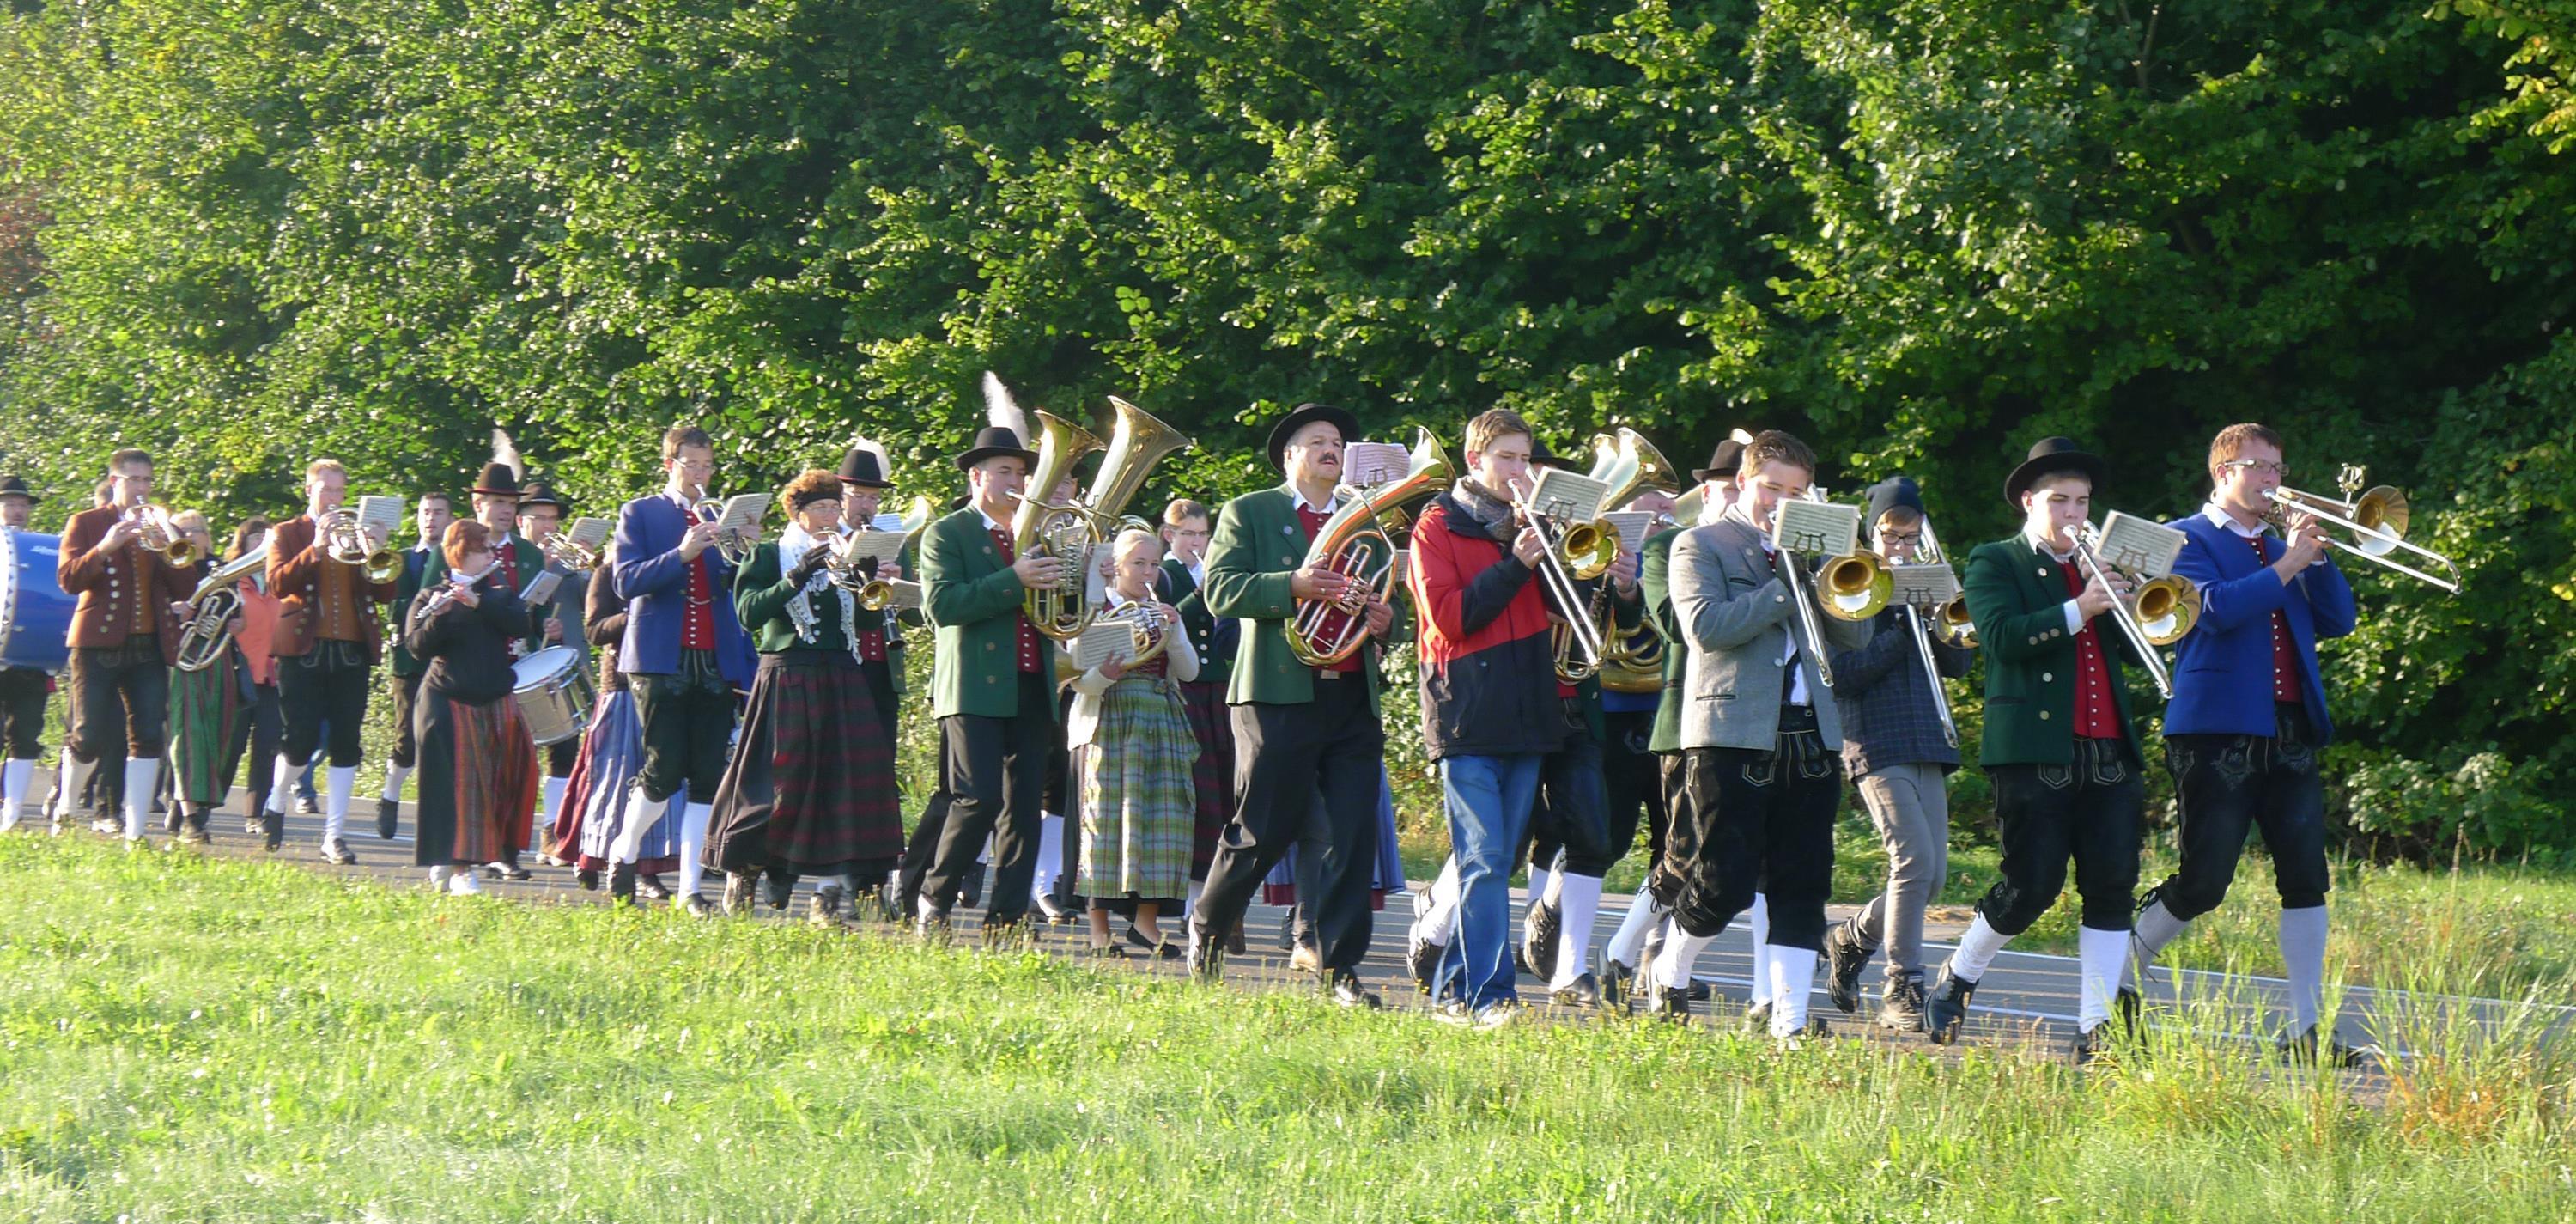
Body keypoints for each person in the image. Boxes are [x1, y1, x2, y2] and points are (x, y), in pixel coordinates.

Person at [2129, 423, 2362, 1065]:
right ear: (2222, 472)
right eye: (2258, 466)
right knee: (2205, 881)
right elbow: (2215, 608)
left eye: (2278, 468)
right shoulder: (2183, 537)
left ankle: (2307, 1027)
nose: (2272, 480)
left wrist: (2316, 555)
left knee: (2307, 879)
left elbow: (2340, 620)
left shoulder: (2283, 542)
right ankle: (2124, 964)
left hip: (2289, 726)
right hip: (2215, 727)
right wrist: (2289, 561)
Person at [1925, 437, 2149, 1063]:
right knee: (2032, 885)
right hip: (2032, 750)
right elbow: (1999, 637)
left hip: (2109, 751)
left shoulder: (2099, 567)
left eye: (2081, 502)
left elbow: (2135, 649)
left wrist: (2131, 604)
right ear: (2030, 501)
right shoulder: (1996, 560)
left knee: (2111, 887)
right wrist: (2081, 606)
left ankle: (2095, 1028)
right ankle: (1960, 972)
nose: (2073, 514)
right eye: (2059, 501)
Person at [1653, 429, 1872, 1044]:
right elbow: (1706, 628)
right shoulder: (1700, 544)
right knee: (1724, 880)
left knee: (1803, 884)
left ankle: (1789, 1022)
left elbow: (1854, 640)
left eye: (1796, 492)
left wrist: (1834, 572)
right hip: (1731, 732)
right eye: (1772, 487)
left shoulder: (1813, 555)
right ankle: (1670, 970)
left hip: (1811, 733)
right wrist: (1786, 585)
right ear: (1745, 482)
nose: (1781, 501)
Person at [1186, 403, 1400, 1009]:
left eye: (1337, 442)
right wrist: (1292, 585)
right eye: (1317, 441)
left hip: (1350, 693)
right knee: (1263, 827)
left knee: (1353, 836)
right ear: (1290, 456)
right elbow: (1219, 590)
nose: (1332, 449)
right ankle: (1208, 922)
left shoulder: (1369, 520)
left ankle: (1337, 966)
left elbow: (1386, 600)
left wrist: (1387, 621)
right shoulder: (1251, 510)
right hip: (1277, 694)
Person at [1403, 410, 1559, 1026]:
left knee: (1497, 862)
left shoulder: (1529, 526)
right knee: (1485, 857)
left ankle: (1457, 991)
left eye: (1525, 459)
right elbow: (1451, 617)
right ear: (1477, 460)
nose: (1520, 471)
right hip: (1466, 708)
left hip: (1528, 708)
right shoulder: (1438, 522)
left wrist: (1589, 571)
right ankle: (1489, 996)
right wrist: (1517, 562)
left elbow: (1563, 610)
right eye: (1508, 458)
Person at [707, 470, 902, 925]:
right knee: (776, 785)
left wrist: (872, 582)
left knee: (842, 786)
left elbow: (868, 627)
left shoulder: (846, 558)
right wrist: (797, 575)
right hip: (787, 677)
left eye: (835, 508)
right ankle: (746, 872)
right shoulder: (769, 554)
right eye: (821, 509)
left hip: (840, 676)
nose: (831, 517)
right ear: (798, 514)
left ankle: (830, 896)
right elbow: (749, 614)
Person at [1820, 478, 1975, 1032]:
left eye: (1910, 538)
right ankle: (1901, 986)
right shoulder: (1851, 587)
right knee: (1911, 862)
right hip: (1874, 740)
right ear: (1871, 530)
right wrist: (1900, 628)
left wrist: (1941, 621)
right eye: (1891, 535)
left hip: (1927, 737)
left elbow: (1958, 667)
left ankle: (1851, 936)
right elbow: (1843, 676)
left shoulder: (1928, 583)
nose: (1900, 548)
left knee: (1931, 878)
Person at [1606, 432, 1747, 1008]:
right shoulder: (1676, 547)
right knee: (1685, 853)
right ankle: (1621, 952)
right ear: (1711, 491)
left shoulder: (1760, 551)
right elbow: (1675, 624)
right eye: (1735, 486)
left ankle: (1765, 998)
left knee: (1744, 861)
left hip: (1751, 720)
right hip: (1687, 719)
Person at [914, 409, 1059, 939]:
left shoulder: (1038, 533)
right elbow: (942, 606)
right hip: (972, 686)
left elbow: (1059, 609)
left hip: (1031, 684)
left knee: (1023, 810)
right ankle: (935, 898)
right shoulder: (945, 534)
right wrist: (1013, 578)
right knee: (977, 799)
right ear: (976, 477)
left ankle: (1007, 920)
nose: (1016, 483)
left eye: (1021, 474)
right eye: (1004, 472)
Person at [606, 425, 755, 913]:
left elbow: (735, 585)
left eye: (708, 465)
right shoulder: (641, 512)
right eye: (692, 465)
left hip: (715, 656)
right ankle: (623, 853)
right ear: (671, 465)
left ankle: (690, 889)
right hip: (657, 657)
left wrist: (746, 550)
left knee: (708, 774)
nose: (701, 474)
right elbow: (626, 581)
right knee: (663, 768)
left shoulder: (717, 514)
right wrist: (683, 553)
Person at [54, 448, 201, 848]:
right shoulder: (86, 522)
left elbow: (186, 589)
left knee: (148, 735)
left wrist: (170, 548)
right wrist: (104, 547)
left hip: (147, 647)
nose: (142, 488)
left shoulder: (161, 527)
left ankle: (135, 832)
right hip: (96, 643)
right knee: (88, 736)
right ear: (115, 481)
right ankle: (66, 808)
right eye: (134, 480)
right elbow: (68, 579)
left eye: (147, 481)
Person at [1066, 528, 1200, 955]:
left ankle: (1146, 925)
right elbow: (1076, 680)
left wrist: (1173, 629)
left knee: (1164, 822)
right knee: (1104, 822)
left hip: (1160, 719)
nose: (1148, 572)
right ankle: (1098, 931)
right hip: (1109, 720)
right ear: (1117, 566)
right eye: (1138, 564)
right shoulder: (1096, 608)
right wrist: (1106, 673)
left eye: (1154, 564)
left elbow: (1191, 671)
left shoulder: (1159, 609)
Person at [264, 458, 398, 862]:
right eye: (327, 490)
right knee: (299, 740)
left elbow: (386, 594)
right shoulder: (288, 532)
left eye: (340, 491)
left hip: (351, 651)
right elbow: (276, 583)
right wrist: (316, 548)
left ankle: (334, 835)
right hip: (302, 650)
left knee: (346, 743)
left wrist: (377, 548)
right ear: (309, 491)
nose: (335, 499)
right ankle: (276, 799)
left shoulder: (356, 533)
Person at [400, 520, 543, 895]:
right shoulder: (432, 595)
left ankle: (489, 856)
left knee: (506, 779)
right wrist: (442, 612)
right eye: (484, 550)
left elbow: (521, 623)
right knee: (457, 787)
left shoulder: (498, 593)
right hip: (446, 700)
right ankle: (458, 866)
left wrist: (477, 602)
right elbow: (416, 646)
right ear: (461, 553)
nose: (492, 554)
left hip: (494, 698)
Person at [560, 545, 674, 893]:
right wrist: (636, 614)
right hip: (621, 687)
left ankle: (646, 869)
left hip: (662, 682)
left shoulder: (668, 572)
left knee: (656, 779)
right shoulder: (608, 572)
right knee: (609, 778)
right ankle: (590, 856)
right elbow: (594, 630)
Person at [1156, 498, 1240, 931]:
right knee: (1198, 794)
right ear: (1170, 535)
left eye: (1202, 534)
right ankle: (1193, 900)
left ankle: (1219, 896)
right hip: (1184, 686)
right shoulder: (1163, 572)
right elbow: (1167, 620)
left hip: (1220, 687)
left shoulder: (1210, 571)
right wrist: (1202, 587)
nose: (1197, 542)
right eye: (1188, 534)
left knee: (1227, 789)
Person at [160, 509, 251, 846]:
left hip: (217, 659)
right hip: (182, 661)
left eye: (195, 530)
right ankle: (190, 816)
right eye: (182, 530)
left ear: (207, 536)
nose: (189, 535)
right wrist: (174, 611)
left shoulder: (220, 570)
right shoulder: (166, 565)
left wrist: (237, 623)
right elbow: (158, 607)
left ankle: (190, 806)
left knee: (219, 734)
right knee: (188, 733)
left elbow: (236, 611)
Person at [379, 490, 455, 837]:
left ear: (449, 518)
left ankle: (437, 814)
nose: (431, 518)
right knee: (406, 739)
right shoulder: (403, 558)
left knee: (441, 739)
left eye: (438, 512)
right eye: (426, 512)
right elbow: (393, 610)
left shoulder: (456, 560)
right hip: (408, 659)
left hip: (445, 660)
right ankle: (390, 795)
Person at [214, 518, 287, 840]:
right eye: (255, 538)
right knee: (230, 745)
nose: (261, 544)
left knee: (269, 745)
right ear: (242, 544)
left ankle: (255, 814)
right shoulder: (230, 580)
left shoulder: (280, 581)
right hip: (237, 673)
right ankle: (202, 804)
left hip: (272, 675)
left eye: (267, 539)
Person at [0, 473, 52, 831]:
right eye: (11, 503)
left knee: (26, 735)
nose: (18, 510)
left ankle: (13, 810)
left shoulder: (39, 549)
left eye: (22, 505)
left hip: (31, 659)